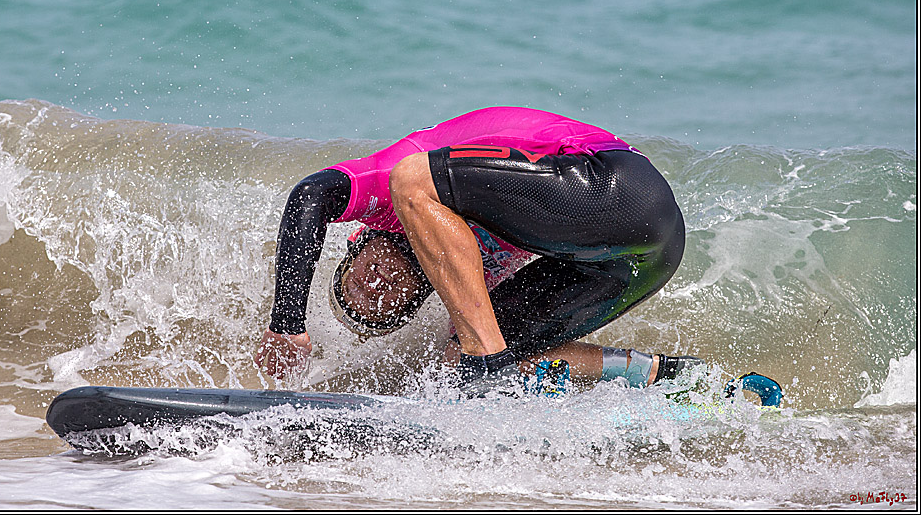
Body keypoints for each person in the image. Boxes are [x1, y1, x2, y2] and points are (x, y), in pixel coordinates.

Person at [255, 106, 697, 390]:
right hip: (648, 259)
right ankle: (663, 375)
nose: (376, 284)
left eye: (359, 278)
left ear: (360, 242)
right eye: (382, 303)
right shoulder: (464, 270)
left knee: (410, 178)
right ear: (418, 295)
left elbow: (310, 196)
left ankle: (487, 372)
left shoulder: (390, 199)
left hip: (619, 181)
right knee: (461, 354)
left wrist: (287, 324)